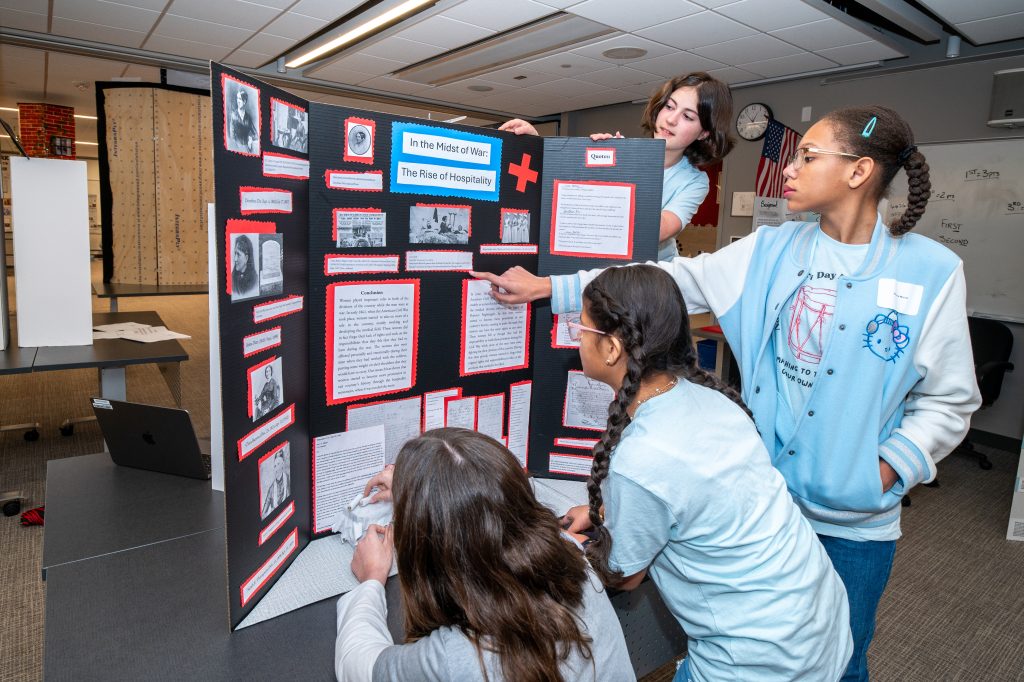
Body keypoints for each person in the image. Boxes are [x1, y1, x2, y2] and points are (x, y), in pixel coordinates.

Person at [473, 105, 982, 681]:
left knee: (840, 653)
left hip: (852, 522)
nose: (790, 167)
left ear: (859, 171)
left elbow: (950, 400)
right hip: (760, 500)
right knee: (753, 633)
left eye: (808, 157)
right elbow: (670, 282)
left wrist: (882, 472)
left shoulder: (930, 271)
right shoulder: (772, 249)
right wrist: (550, 285)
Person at [564, 264, 853, 680]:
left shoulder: (640, 458)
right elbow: (698, 497)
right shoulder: (713, 400)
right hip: (819, 622)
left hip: (759, 660)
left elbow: (624, 574)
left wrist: (563, 548)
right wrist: (604, 511)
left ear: (611, 348)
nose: (577, 338)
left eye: (583, 329)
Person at [333, 428, 635, 682]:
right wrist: (416, 490)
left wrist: (371, 579)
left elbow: (358, 663)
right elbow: (494, 509)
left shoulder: (459, 656)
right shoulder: (571, 554)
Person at [500, 72, 734, 261]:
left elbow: (657, 231)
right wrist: (536, 144)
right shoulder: (619, 154)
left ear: (704, 132)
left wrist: (625, 172)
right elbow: (567, 186)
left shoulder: (693, 181)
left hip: (650, 278)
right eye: (670, 107)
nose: (671, 120)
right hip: (601, 267)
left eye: (688, 117)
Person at [261, 449, 289, 519]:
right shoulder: (271, 489)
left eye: (278, 464)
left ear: (282, 465)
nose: (276, 468)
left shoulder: (287, 478)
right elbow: (264, 513)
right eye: (275, 465)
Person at [229, 88, 257, 153]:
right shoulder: (233, 115)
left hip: (247, 149)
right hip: (236, 149)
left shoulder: (248, 117)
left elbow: (256, 135)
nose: (238, 101)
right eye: (237, 98)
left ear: (244, 102)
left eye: (240, 99)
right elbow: (231, 136)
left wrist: (251, 139)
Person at [231, 234, 257, 299]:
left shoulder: (254, 280)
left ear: (246, 258)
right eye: (235, 254)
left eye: (238, 254)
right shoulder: (232, 278)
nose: (235, 259)